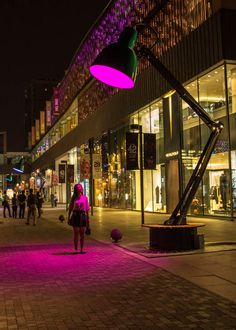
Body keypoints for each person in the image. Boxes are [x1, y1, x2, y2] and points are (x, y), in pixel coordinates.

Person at [68, 183, 90, 253]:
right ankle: (76, 249)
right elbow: (70, 208)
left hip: (82, 215)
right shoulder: (74, 198)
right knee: (76, 233)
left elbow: (87, 210)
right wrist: (68, 217)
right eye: (77, 188)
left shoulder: (85, 198)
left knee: (82, 234)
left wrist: (88, 220)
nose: (78, 189)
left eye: (79, 188)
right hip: (75, 215)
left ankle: (81, 249)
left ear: (81, 189)